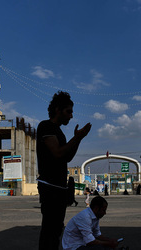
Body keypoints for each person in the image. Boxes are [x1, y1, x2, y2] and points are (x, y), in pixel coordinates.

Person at [37, 91, 92, 250]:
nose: (71, 116)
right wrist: (77, 137)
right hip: (50, 187)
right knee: (50, 230)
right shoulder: (46, 126)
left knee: (55, 230)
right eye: (68, 111)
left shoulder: (58, 131)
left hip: (59, 188)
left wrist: (78, 139)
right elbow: (58, 152)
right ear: (57, 110)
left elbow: (66, 158)